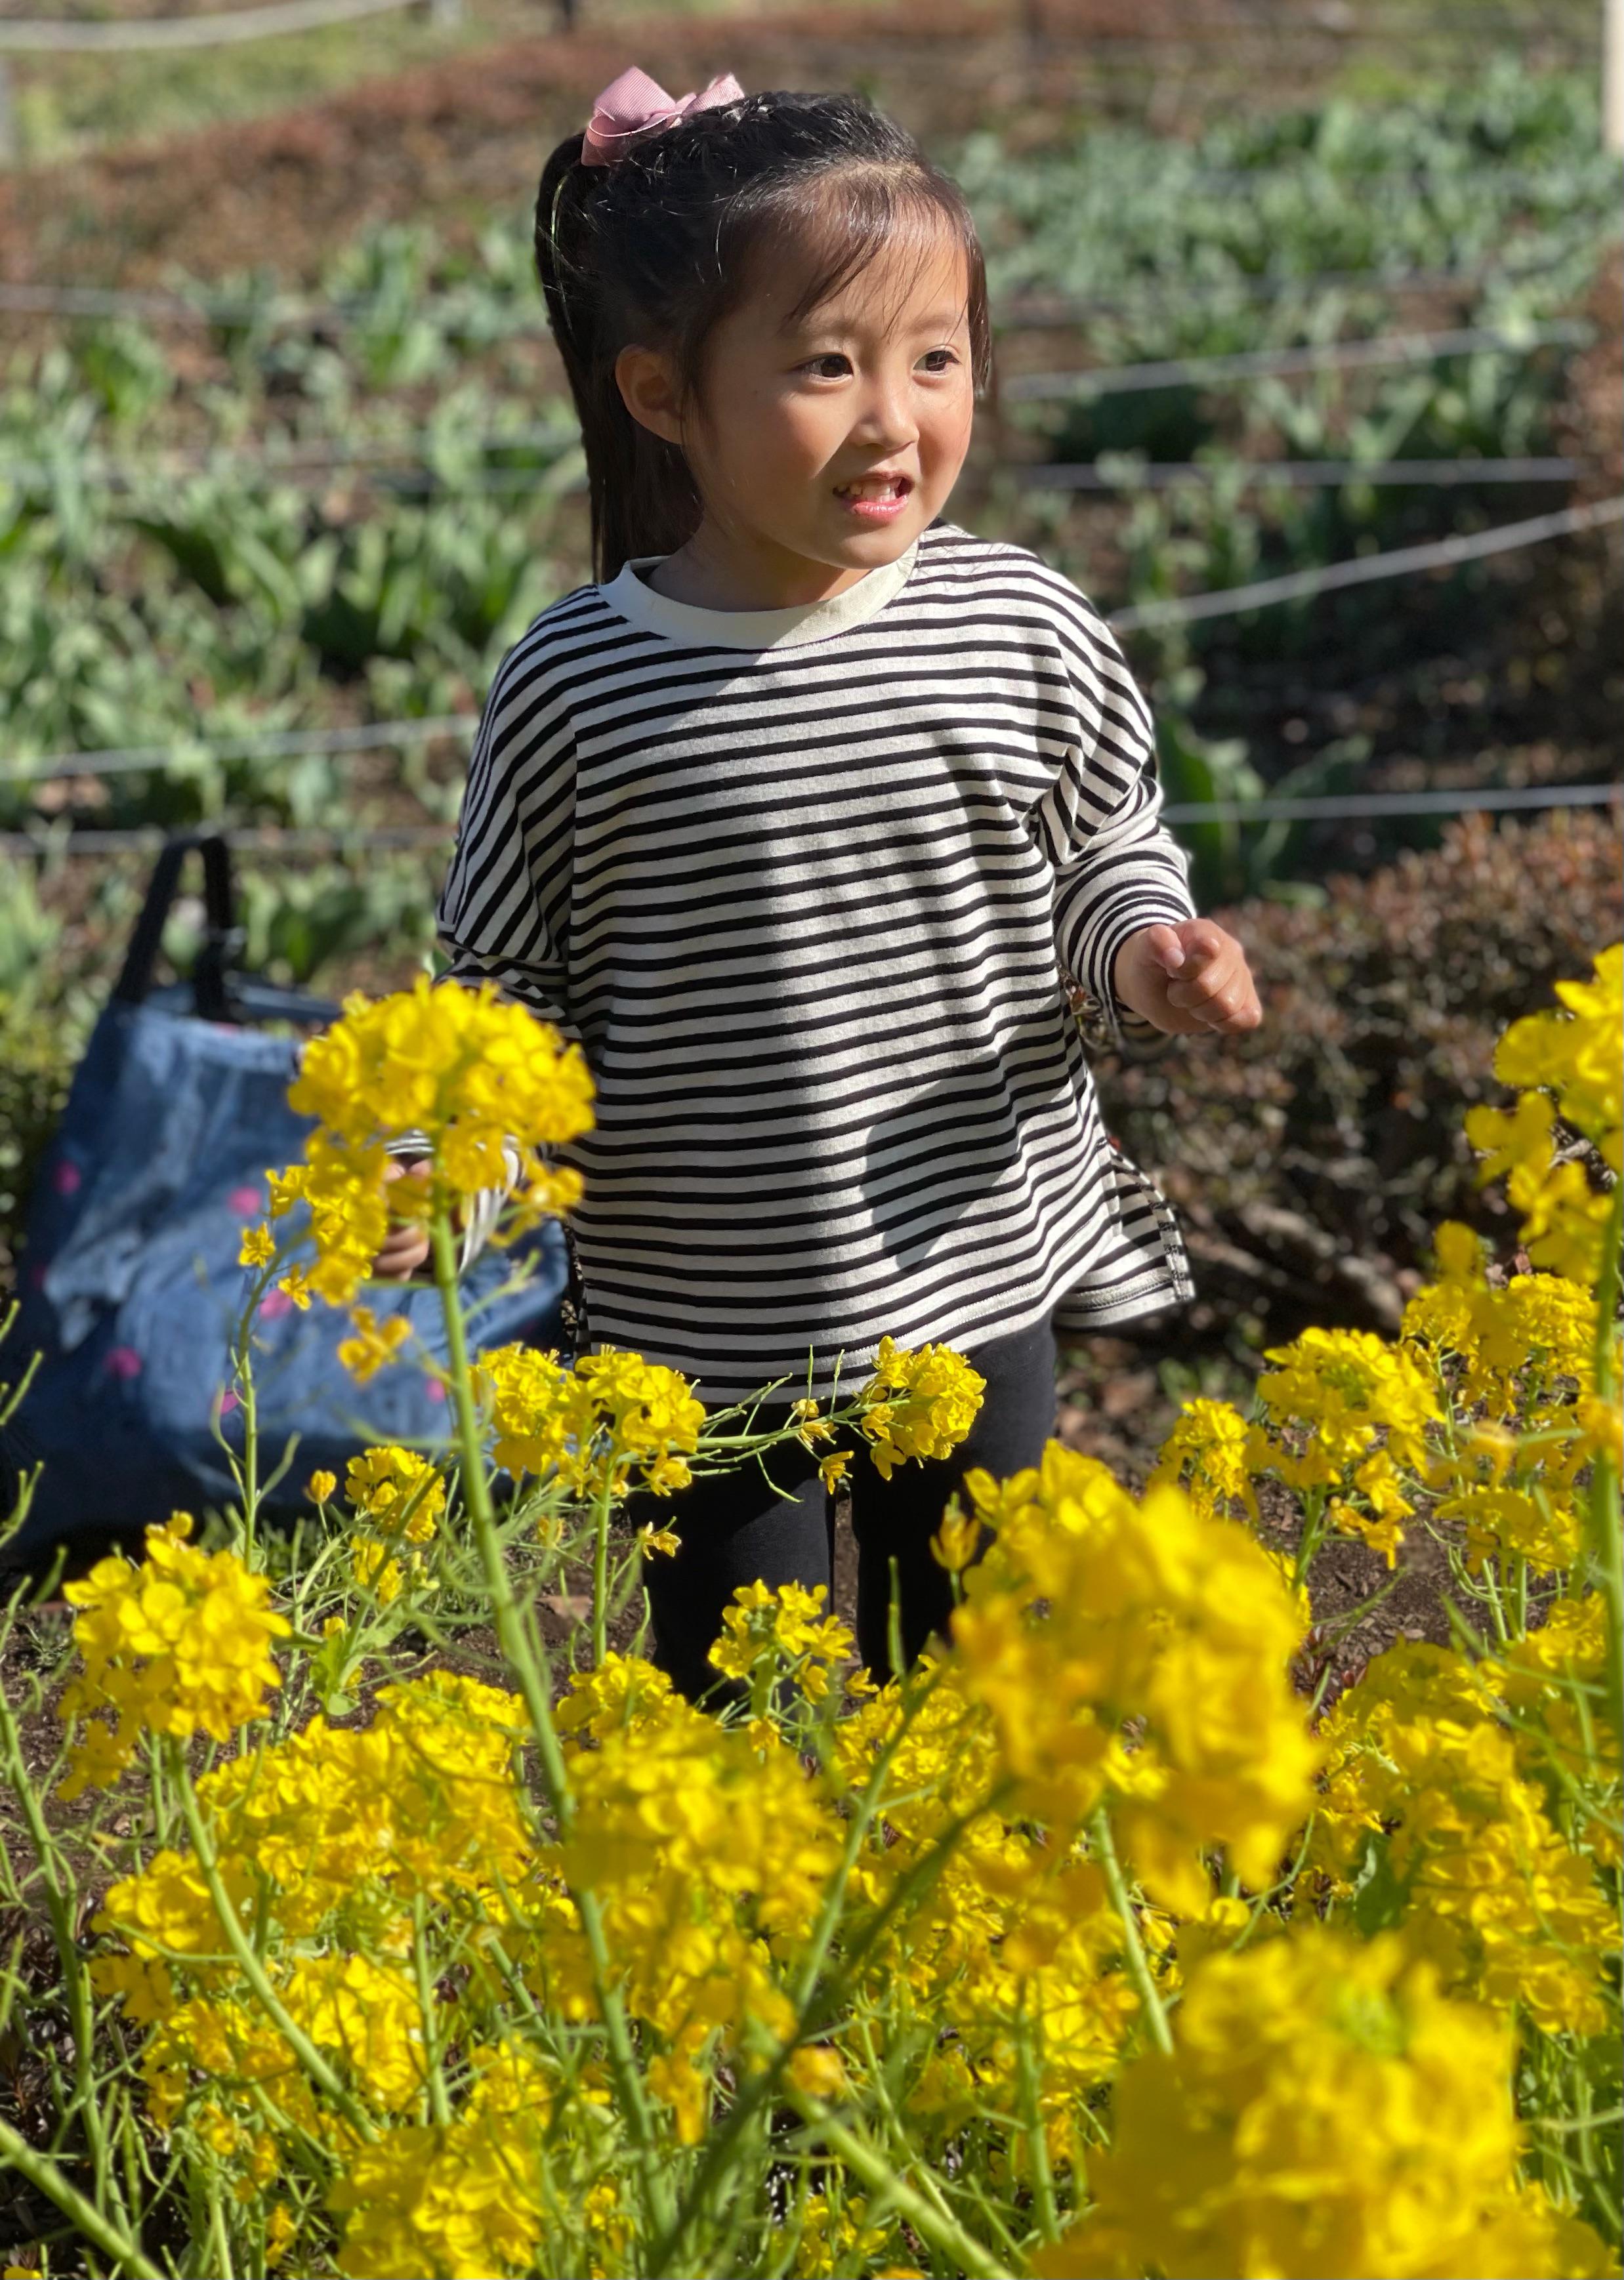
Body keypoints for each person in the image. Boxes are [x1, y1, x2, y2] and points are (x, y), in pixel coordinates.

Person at [370, 65, 1261, 1699]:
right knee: (728, 1714)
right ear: (659, 394)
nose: (893, 417)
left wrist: (1148, 953)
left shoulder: (1019, 624)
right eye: (824, 365)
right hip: (691, 1333)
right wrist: (448, 1166)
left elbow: (1099, 849)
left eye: (935, 360)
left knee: (974, 1683)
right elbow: (502, 986)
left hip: (973, 1260)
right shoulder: (578, 683)